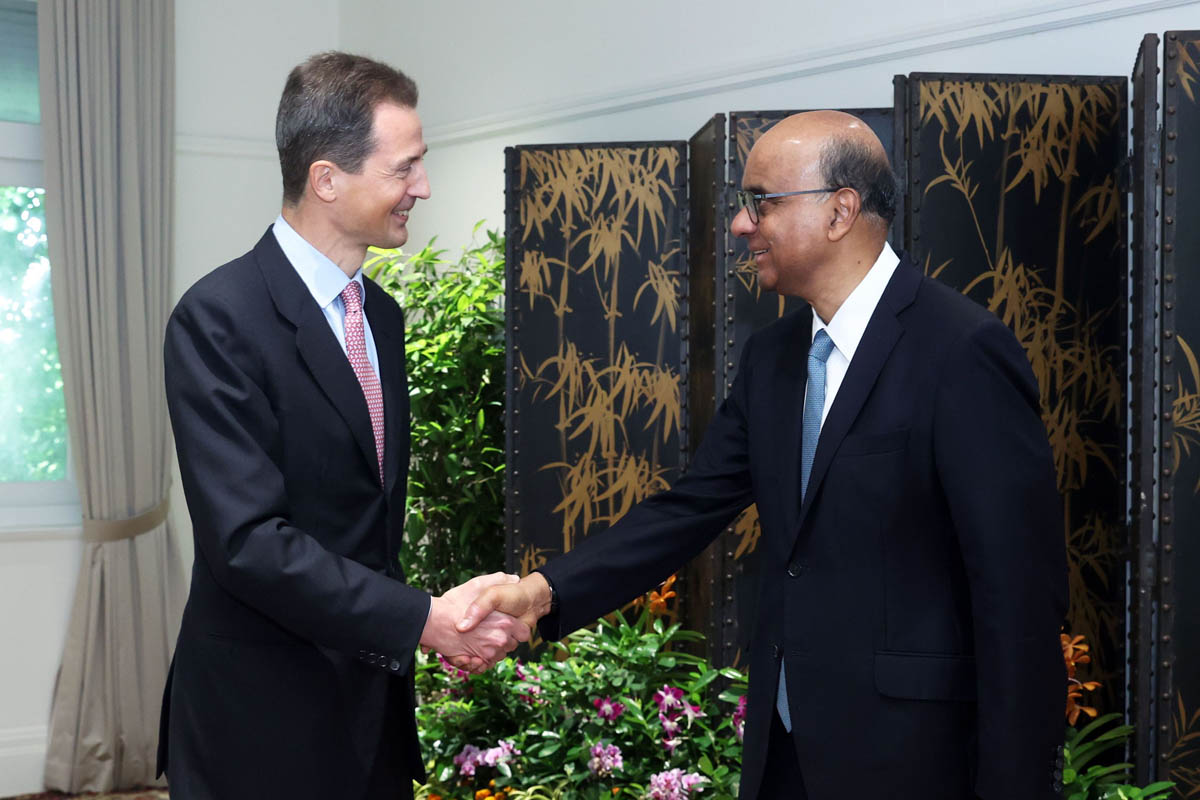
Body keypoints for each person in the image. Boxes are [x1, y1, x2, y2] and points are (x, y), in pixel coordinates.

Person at [459, 111, 1068, 800]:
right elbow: (689, 508)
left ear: (841, 211)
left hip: (916, 763)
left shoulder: (960, 350)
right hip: (785, 758)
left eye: (762, 201)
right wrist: (541, 594)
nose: (742, 225)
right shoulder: (773, 358)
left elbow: (1017, 596)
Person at [157, 52, 527, 800]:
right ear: (327, 179)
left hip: (371, 712)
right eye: (404, 169)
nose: (421, 188)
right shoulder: (219, 317)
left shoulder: (380, 317)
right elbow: (248, 543)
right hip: (261, 724)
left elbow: (362, 523)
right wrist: (424, 619)